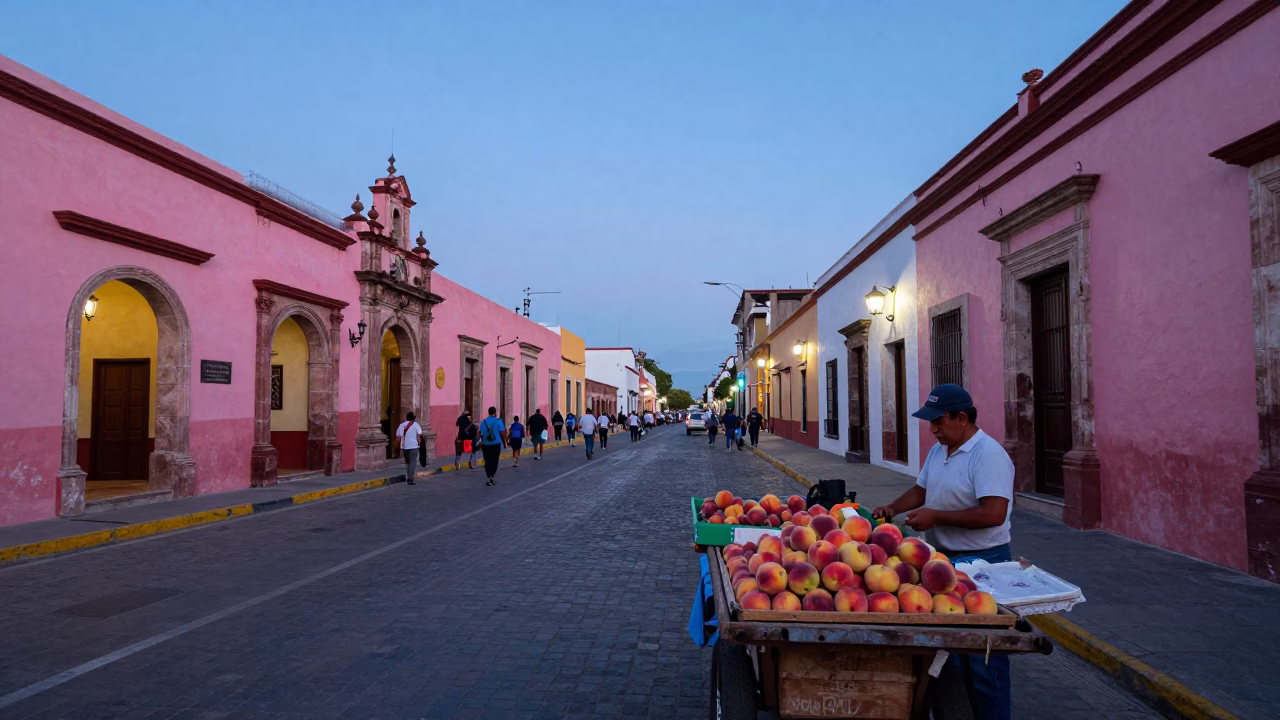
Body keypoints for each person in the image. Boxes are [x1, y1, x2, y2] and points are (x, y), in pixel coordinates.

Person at [871, 384, 1015, 720]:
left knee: (983, 657)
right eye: (930, 422)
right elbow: (922, 489)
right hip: (943, 561)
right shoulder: (941, 449)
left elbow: (993, 513)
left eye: (939, 421)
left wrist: (936, 516)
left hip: (983, 563)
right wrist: (892, 508)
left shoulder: (989, 455)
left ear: (961, 418)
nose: (933, 429)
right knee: (948, 653)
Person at [477, 406, 507, 486]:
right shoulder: (498, 421)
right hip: (496, 444)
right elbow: (502, 432)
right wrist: (505, 442)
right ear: (495, 413)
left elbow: (480, 433)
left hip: (486, 444)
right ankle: (491, 476)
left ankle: (488, 477)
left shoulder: (483, 422)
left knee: (487, 461)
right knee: (494, 461)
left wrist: (481, 441)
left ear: (488, 412)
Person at [394, 412, 423, 485]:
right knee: (412, 463)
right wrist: (419, 443)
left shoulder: (401, 425)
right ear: (413, 418)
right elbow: (419, 435)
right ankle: (410, 479)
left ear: (406, 418)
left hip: (405, 447)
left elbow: (398, 435)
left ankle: (408, 476)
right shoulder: (416, 425)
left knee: (407, 463)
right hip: (413, 446)